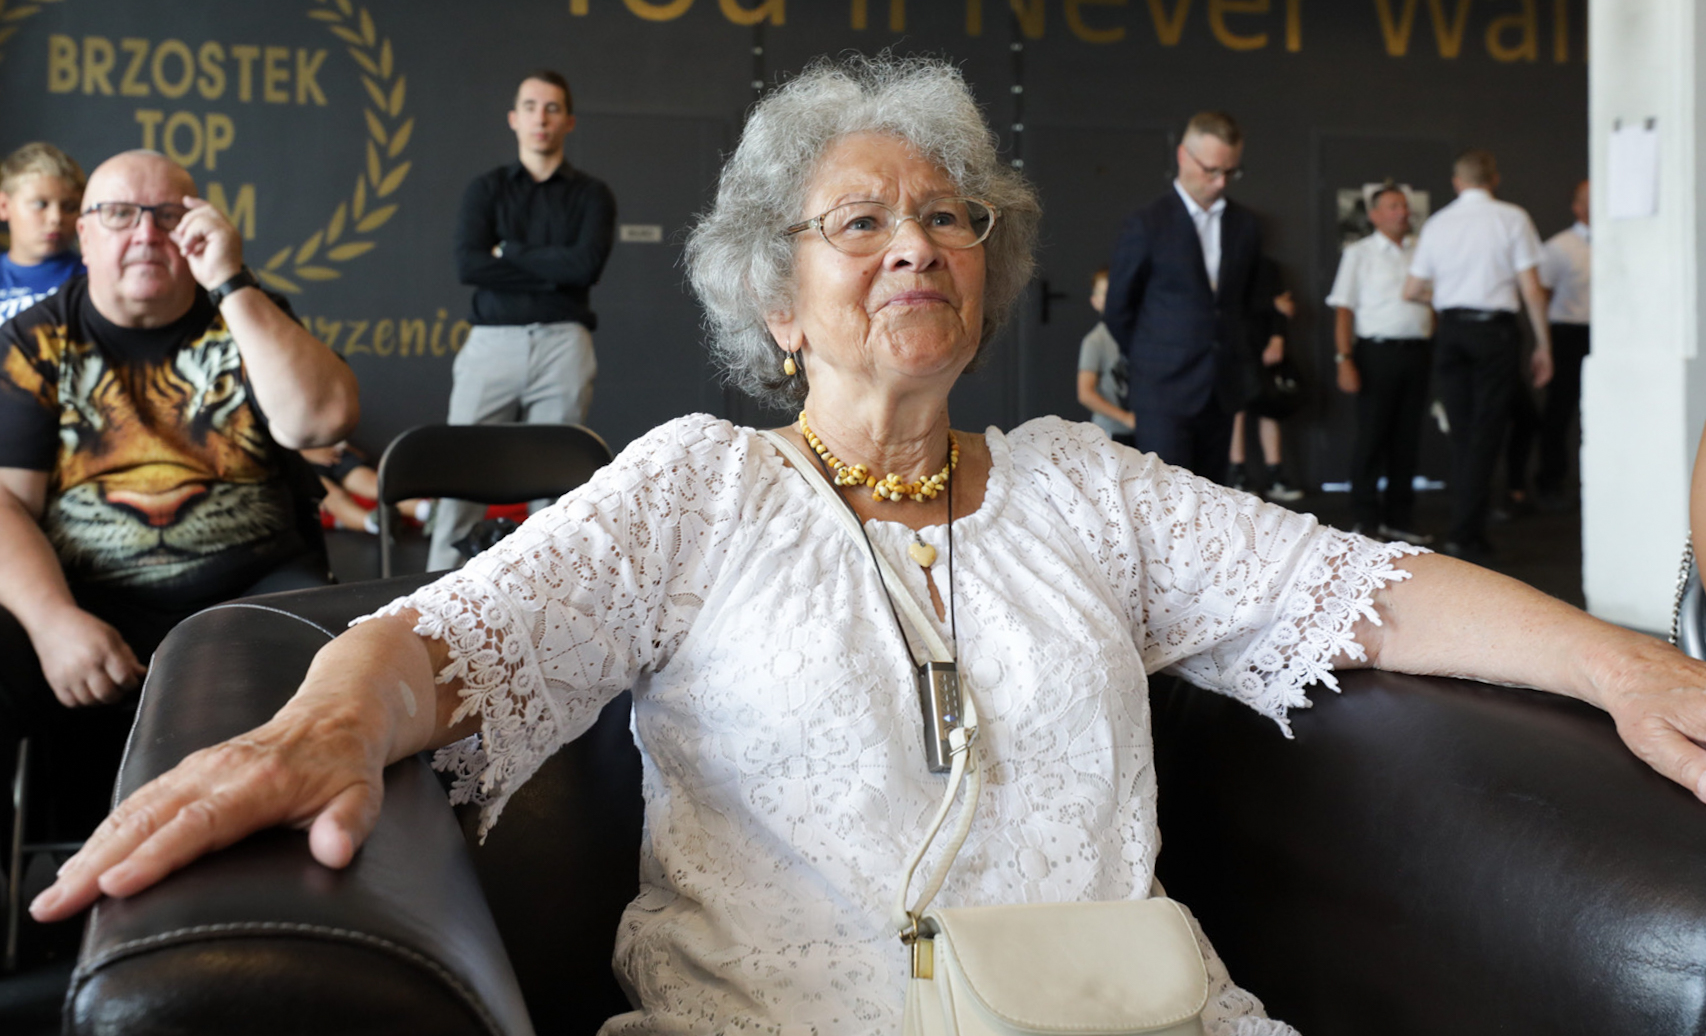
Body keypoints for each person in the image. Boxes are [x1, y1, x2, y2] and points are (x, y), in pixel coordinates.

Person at [32, 58, 1706, 1036]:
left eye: (948, 216)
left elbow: (1360, 587)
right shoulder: (699, 486)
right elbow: (460, 633)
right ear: (776, 299)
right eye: (861, 220)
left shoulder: (1086, 486)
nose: (916, 243)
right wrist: (328, 720)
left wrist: (1625, 661)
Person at [0, 150, 359, 709]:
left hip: (255, 585)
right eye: (119, 214)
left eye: (169, 216)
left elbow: (322, 422)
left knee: (342, 665)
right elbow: (7, 502)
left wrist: (230, 281)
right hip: (88, 593)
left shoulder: (246, 311)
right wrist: (52, 620)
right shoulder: (32, 340)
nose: (146, 234)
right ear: (84, 236)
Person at [431, 69, 617, 570]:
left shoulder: (592, 194)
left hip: (564, 344)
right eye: (531, 107)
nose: (541, 118)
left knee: (553, 487)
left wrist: (509, 251)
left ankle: (543, 599)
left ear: (569, 121)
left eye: (552, 108)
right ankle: (430, 598)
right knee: (457, 477)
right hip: (491, 343)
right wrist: (552, 270)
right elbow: (470, 266)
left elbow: (584, 267)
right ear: (514, 118)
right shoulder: (486, 190)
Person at [1404, 149, 1550, 563]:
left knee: (1463, 432)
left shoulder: (1438, 223)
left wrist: (1448, 296)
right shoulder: (1512, 218)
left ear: (1457, 182)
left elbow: (1411, 291)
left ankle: (1465, 528)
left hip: (1451, 332)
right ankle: (1465, 533)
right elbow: (1532, 290)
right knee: (1486, 431)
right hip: (1494, 333)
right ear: (1494, 179)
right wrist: (1544, 345)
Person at [1103, 111, 1264, 484]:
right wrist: (1153, 357)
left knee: (1213, 498)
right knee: (1166, 497)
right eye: (1211, 170)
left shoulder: (1245, 224)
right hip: (1162, 389)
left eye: (1230, 172)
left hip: (1222, 387)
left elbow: (1250, 303)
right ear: (1183, 156)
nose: (1220, 182)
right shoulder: (1147, 223)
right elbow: (1118, 310)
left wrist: (1241, 353)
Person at [1327, 186, 1434, 544]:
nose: (1402, 212)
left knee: (1408, 438)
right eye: (1392, 206)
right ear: (1374, 215)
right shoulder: (1359, 253)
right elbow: (1344, 309)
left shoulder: (1422, 250)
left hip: (1417, 353)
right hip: (1376, 354)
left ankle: (1400, 518)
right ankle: (1365, 518)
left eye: (1404, 205)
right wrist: (1344, 359)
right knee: (1372, 436)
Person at [1535, 179, 1591, 506]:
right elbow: (1541, 295)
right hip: (1569, 334)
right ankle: (1550, 482)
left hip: (1609, 336)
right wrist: (1544, 343)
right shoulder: (1559, 247)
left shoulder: (1619, 242)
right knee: (1560, 410)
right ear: (1577, 207)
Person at [1229, 265, 1303, 502]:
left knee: (1268, 406)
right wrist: (1270, 304)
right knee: (1235, 409)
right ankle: (1237, 473)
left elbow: (1281, 304)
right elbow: (1226, 303)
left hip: (1261, 345)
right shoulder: (1223, 264)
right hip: (1231, 344)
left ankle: (1275, 474)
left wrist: (1277, 337)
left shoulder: (1266, 267)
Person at [0, 141, 86, 322]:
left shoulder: (91, 278)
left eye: (69, 207)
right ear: (4, 206)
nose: (56, 218)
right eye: (40, 204)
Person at [1075, 266, 1135, 442]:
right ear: (1095, 301)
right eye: (1107, 294)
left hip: (1145, 430)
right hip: (1112, 432)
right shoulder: (1095, 341)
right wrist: (1126, 418)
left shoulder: (1142, 337)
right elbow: (1085, 394)